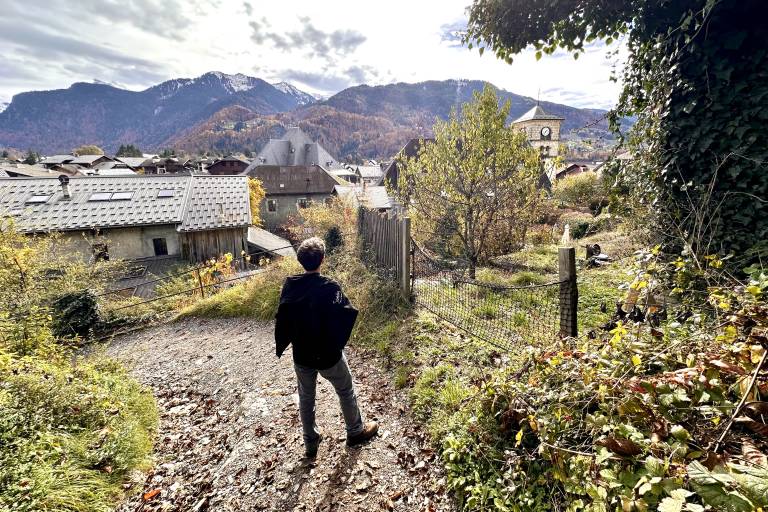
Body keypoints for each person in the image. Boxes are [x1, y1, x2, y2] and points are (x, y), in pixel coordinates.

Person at [275, 237, 378, 458]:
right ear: (323, 259)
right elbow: (346, 313)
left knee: (306, 396)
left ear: (300, 260)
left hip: (301, 354)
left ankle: (310, 443)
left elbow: (283, 317)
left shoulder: (290, 285)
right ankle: (355, 432)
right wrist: (337, 343)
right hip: (329, 355)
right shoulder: (330, 287)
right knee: (345, 390)